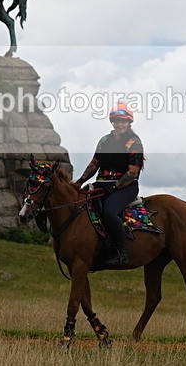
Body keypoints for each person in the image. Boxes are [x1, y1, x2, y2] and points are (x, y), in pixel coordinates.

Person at [75, 101, 144, 267]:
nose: (120, 124)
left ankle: (121, 252)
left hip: (125, 187)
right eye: (116, 121)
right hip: (101, 184)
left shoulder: (134, 143)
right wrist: (79, 182)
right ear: (112, 122)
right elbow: (94, 163)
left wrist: (114, 187)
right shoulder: (104, 141)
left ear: (129, 122)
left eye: (123, 121)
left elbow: (132, 173)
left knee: (109, 212)